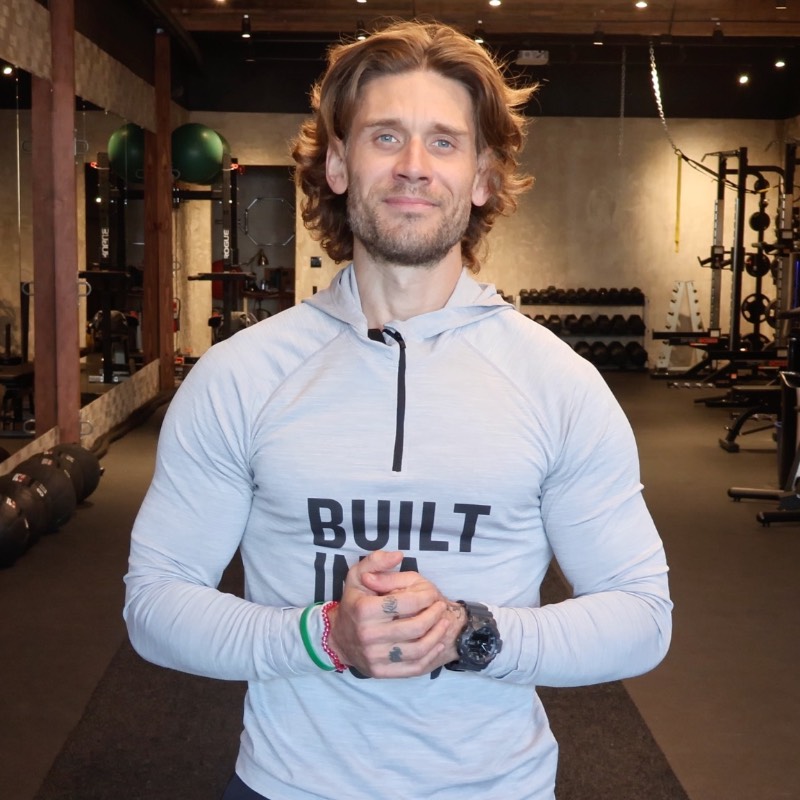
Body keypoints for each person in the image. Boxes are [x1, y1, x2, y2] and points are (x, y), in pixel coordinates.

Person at [124, 20, 672, 800]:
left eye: (444, 142)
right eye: (386, 136)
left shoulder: (559, 384)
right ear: (338, 164)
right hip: (289, 786)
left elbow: (642, 618)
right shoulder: (241, 376)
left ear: (482, 177)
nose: (414, 165)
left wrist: (471, 632)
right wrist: (323, 636)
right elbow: (155, 604)